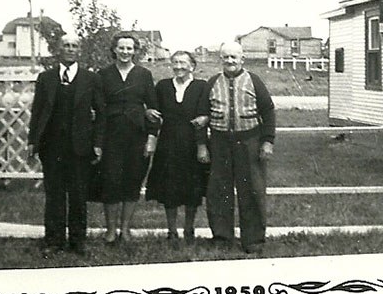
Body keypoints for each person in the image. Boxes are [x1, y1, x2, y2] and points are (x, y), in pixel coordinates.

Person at [28, 35, 104, 256]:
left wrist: (98, 143)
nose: (70, 49)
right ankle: (53, 240)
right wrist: (32, 141)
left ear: (79, 50)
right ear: (59, 50)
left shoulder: (91, 79)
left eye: (74, 46)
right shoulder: (46, 78)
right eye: (66, 46)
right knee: (54, 195)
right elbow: (37, 112)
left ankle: (77, 242)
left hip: (80, 147)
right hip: (51, 148)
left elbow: (101, 114)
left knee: (79, 196)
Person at [197, 41, 275, 254]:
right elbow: (202, 116)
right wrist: (202, 145)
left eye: (234, 57)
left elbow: (268, 111)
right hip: (220, 143)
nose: (230, 61)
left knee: (251, 190)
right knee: (219, 191)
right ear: (220, 59)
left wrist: (267, 141)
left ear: (242, 58)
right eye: (226, 57)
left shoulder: (254, 81)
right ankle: (222, 238)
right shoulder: (212, 82)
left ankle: (253, 240)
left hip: (249, 142)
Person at [97, 33, 158, 244]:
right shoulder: (103, 74)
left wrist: (151, 137)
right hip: (110, 136)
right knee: (111, 181)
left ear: (135, 51)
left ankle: (125, 229)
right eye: (121, 48)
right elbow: (97, 107)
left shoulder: (144, 74)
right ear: (114, 49)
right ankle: (111, 230)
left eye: (129, 49)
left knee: (132, 180)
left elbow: (153, 109)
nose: (125, 52)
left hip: (137, 136)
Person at [145, 51, 210, 244]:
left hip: (192, 143)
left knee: (193, 188)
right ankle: (171, 231)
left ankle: (189, 229)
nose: (179, 66)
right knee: (169, 188)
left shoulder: (201, 86)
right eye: (175, 62)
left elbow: (204, 116)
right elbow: (154, 112)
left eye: (183, 63)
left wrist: (201, 146)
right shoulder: (163, 86)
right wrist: (148, 113)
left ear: (192, 66)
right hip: (168, 143)